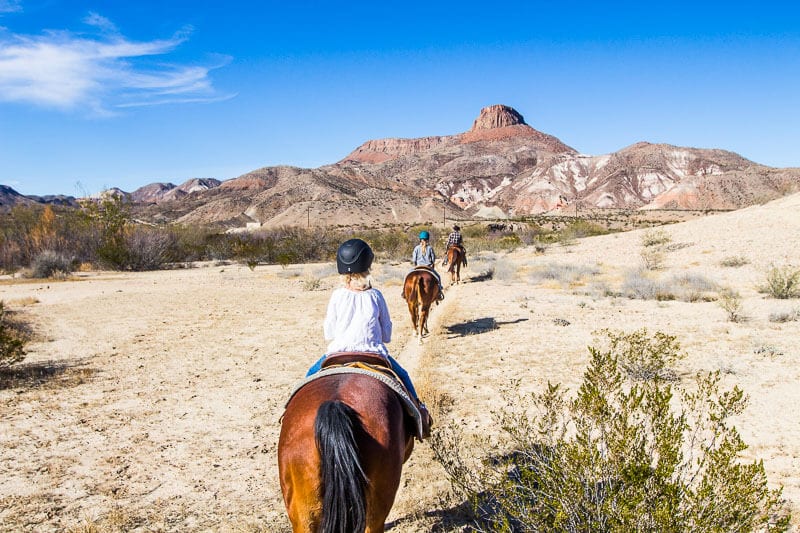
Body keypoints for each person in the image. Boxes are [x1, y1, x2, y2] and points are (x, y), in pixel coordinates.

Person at [306, 238, 431, 435]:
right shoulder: (376, 295)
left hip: (338, 352)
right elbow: (387, 334)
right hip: (373, 353)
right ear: (368, 265)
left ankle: (287, 412)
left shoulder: (337, 295)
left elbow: (329, 332)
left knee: (308, 379)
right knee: (404, 377)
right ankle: (420, 414)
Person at [410, 230, 444, 300]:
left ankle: (404, 292)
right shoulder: (430, 248)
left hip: (418, 267)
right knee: (438, 277)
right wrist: (431, 264)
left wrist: (415, 265)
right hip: (428, 267)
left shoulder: (416, 248)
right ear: (428, 239)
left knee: (407, 275)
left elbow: (414, 260)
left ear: (420, 239)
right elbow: (433, 259)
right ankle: (439, 292)